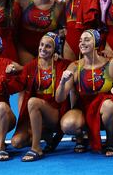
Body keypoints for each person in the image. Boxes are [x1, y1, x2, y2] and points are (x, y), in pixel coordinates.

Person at [56, 29, 113, 157]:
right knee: (68, 124)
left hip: (107, 111)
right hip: (84, 110)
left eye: (87, 40)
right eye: (80, 40)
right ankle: (81, 138)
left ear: (96, 42)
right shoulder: (75, 66)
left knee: (108, 105)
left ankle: (110, 141)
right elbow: (59, 98)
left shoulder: (112, 63)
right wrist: (62, 82)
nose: (82, 43)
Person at [6, 32, 71, 161]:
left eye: (48, 46)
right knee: (16, 142)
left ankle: (36, 148)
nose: (43, 49)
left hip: (56, 113)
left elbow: (79, 65)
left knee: (32, 102)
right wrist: (8, 74)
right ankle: (48, 136)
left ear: (55, 50)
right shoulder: (32, 66)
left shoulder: (62, 64)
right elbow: (16, 86)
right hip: (37, 115)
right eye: (41, 45)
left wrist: (102, 56)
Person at [15, 0, 64, 65]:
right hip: (24, 45)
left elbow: (65, 27)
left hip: (46, 48)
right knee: (29, 71)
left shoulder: (59, 5)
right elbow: (6, 11)